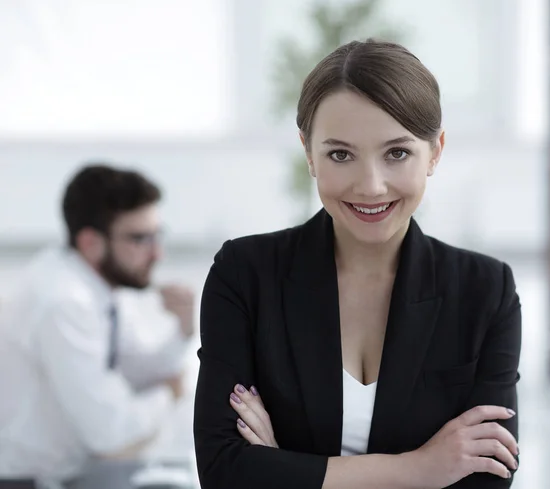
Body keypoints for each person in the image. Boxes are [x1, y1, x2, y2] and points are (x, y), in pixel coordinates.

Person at [193, 39, 521, 489]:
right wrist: (421, 469)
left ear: (436, 151)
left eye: (397, 153)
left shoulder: (486, 290)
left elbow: (486, 479)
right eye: (341, 154)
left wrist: (283, 468)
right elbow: (224, 471)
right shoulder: (245, 275)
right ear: (309, 153)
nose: (370, 186)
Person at [0, 164, 196, 485]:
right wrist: (168, 394)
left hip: (65, 475)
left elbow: (143, 369)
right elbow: (112, 437)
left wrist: (183, 330)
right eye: (140, 239)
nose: (157, 254)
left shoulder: (101, 288)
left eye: (157, 236)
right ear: (91, 243)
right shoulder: (63, 302)